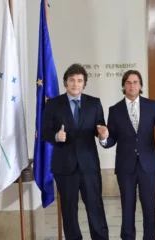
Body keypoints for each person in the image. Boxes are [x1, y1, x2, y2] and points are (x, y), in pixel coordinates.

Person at [97, 70, 155, 240]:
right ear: (123, 86)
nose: (132, 85)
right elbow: (112, 139)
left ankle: (149, 237)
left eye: (135, 82)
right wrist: (104, 138)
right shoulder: (115, 110)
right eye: (129, 82)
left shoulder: (151, 105)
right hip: (125, 166)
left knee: (149, 206)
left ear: (140, 86)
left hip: (148, 165)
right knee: (127, 206)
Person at [42, 63, 109, 240]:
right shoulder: (53, 104)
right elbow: (45, 131)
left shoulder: (94, 103)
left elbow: (100, 128)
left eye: (80, 80)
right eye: (72, 80)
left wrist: (103, 135)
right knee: (69, 210)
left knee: (95, 207)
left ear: (84, 84)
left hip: (89, 166)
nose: (75, 84)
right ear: (65, 83)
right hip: (64, 167)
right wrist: (56, 136)